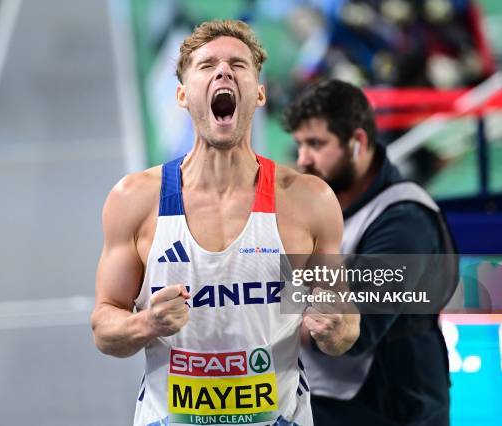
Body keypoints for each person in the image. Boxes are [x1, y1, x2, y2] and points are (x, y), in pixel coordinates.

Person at [91, 21, 360, 426]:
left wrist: (334, 328)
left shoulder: (309, 201)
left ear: (260, 93)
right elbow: (104, 326)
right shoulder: (134, 200)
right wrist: (146, 322)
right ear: (182, 95)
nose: (223, 72)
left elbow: (345, 326)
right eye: (207, 66)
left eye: (238, 64)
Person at [283, 79, 457, 426]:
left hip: (393, 407)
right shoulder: (319, 208)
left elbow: (354, 326)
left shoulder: (404, 218)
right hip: (329, 399)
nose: (303, 159)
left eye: (316, 144)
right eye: (300, 144)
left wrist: (270, 313)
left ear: (358, 142)